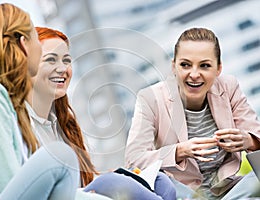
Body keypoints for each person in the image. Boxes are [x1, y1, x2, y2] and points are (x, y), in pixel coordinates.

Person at [26, 26, 176, 200]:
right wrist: (110, 185)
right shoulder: (21, 123)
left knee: (161, 183)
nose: (62, 69)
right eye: (50, 60)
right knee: (116, 184)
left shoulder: (62, 125)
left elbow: (81, 185)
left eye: (66, 60)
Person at [0, 3, 80, 200]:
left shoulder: (5, 104)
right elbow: (11, 185)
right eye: (36, 40)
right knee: (60, 158)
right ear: (24, 43)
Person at [125, 27, 260, 199]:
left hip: (230, 189)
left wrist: (248, 140)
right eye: (185, 65)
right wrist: (180, 151)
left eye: (204, 65)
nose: (194, 74)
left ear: (218, 69)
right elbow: (134, 160)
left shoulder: (229, 87)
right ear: (174, 67)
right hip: (183, 194)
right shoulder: (150, 98)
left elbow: (256, 137)